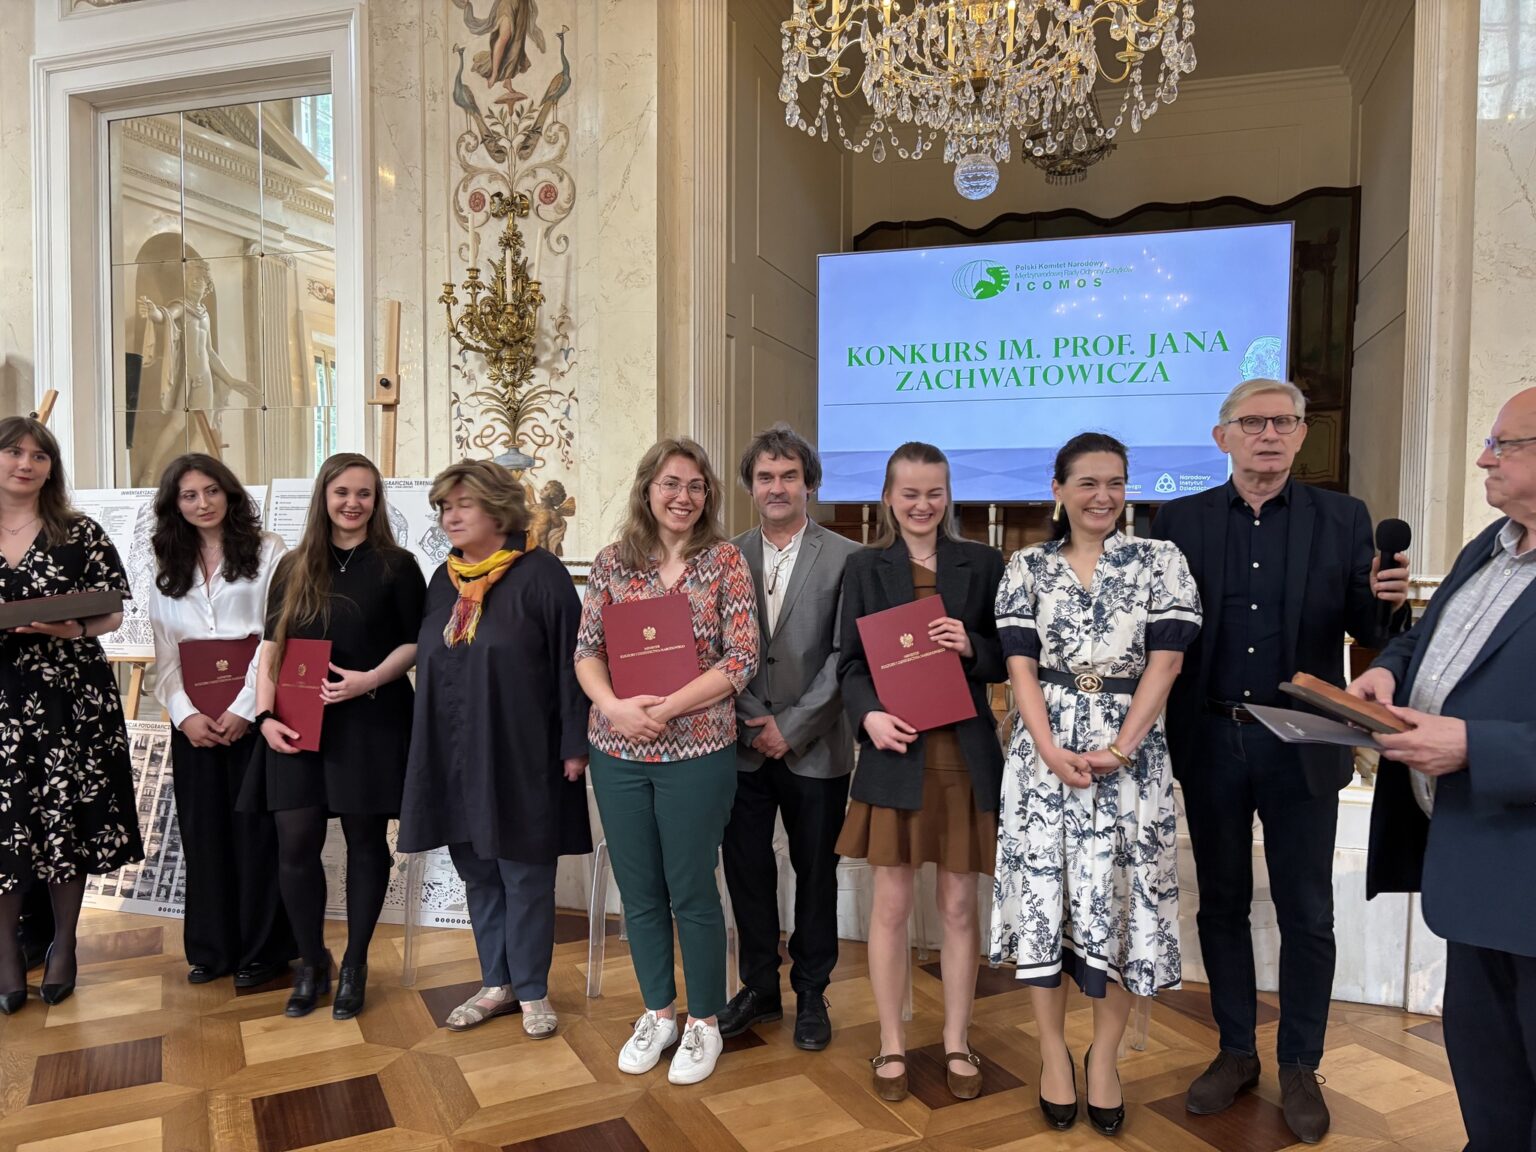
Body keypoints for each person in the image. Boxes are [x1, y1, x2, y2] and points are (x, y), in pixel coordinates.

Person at [1150, 379, 1409, 1142]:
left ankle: (1300, 1061)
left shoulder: (1343, 518)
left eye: (1284, 422)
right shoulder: (1179, 521)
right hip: (1212, 735)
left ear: (1301, 436)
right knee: (1222, 902)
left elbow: (1368, 626)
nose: (1269, 434)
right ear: (1221, 436)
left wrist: (1388, 602)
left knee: (1307, 911)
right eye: (1253, 422)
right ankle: (1235, 1052)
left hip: (1303, 741)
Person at [990, 433, 1201, 1135]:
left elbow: (1166, 664)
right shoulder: (1025, 567)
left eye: (1115, 482)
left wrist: (1120, 745)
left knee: (1117, 908)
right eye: (1086, 482)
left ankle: (1104, 1057)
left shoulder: (1159, 561)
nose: (1103, 496)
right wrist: (1047, 748)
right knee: (1048, 906)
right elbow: (1020, 668)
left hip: (1130, 762)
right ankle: (1053, 1054)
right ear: (1058, 489)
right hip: (1041, 759)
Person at [1351, 387, 1536, 1152]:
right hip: (1472, 867)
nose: (1483, 457)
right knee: (1489, 1077)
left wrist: (1473, 749)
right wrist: (1390, 671)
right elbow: (1431, 639)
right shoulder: (1489, 546)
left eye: (1505, 444)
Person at [574, 437, 758, 1086]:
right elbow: (586, 652)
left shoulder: (726, 562)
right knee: (640, 890)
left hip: (698, 752)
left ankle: (705, 1020)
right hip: (617, 751)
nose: (683, 497)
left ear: (707, 496)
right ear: (647, 488)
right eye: (671, 484)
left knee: (691, 890)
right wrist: (615, 709)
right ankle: (659, 1011)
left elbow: (741, 659)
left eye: (696, 486)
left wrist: (671, 704)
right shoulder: (611, 564)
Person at [835, 441, 1005, 1104]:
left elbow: (1007, 657)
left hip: (963, 757)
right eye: (909, 493)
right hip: (893, 755)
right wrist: (868, 718)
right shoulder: (864, 567)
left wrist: (972, 646)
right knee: (893, 905)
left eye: (934, 492)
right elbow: (850, 665)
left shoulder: (984, 563)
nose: (922, 505)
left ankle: (958, 1039)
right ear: (887, 497)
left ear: (948, 495)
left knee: (960, 906)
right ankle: (890, 1042)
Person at [399, 459, 590, 1038]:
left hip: (522, 750)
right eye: (444, 507)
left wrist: (574, 745)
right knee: (477, 868)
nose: (450, 516)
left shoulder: (542, 574)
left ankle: (531, 990)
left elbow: (573, 662)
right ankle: (495, 983)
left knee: (524, 869)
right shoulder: (443, 579)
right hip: (454, 750)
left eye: (464, 504)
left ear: (498, 510)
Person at [250, 453, 426, 1019]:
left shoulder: (397, 565)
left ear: (377, 502)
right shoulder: (293, 564)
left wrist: (370, 680)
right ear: (324, 496)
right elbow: (271, 648)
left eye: (365, 494)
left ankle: (354, 962)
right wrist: (262, 716)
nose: (353, 503)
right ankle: (310, 960)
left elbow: (416, 642)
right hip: (297, 720)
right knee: (295, 842)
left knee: (365, 842)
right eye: (342, 492)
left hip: (372, 718)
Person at [718, 424, 861, 1051]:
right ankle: (758, 988)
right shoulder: (724, 555)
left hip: (818, 747)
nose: (777, 487)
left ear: (810, 484)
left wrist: (792, 725)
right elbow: (715, 649)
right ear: (751, 486)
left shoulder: (846, 557)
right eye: (765, 477)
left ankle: (811, 993)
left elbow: (846, 655)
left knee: (816, 874)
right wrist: (756, 719)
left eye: (789, 476)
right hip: (740, 745)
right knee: (746, 872)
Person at [0, 415, 144, 1013]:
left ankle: (64, 945)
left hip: (69, 699)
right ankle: (6, 954)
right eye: (13, 452)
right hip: (1, 699)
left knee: (66, 819)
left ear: (51, 469)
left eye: (39, 455)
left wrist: (73, 626)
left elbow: (111, 609)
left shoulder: (77, 531)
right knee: (3, 825)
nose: (25, 464)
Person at [147, 454, 294, 988]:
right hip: (192, 721)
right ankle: (212, 949)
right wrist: (184, 715)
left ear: (230, 494)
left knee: (257, 833)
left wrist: (243, 708)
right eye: (189, 495)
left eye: (212, 491)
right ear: (175, 504)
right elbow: (164, 650)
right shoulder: (164, 558)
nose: (202, 503)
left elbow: (277, 633)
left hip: (256, 712)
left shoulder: (269, 549)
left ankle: (264, 950)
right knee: (203, 832)